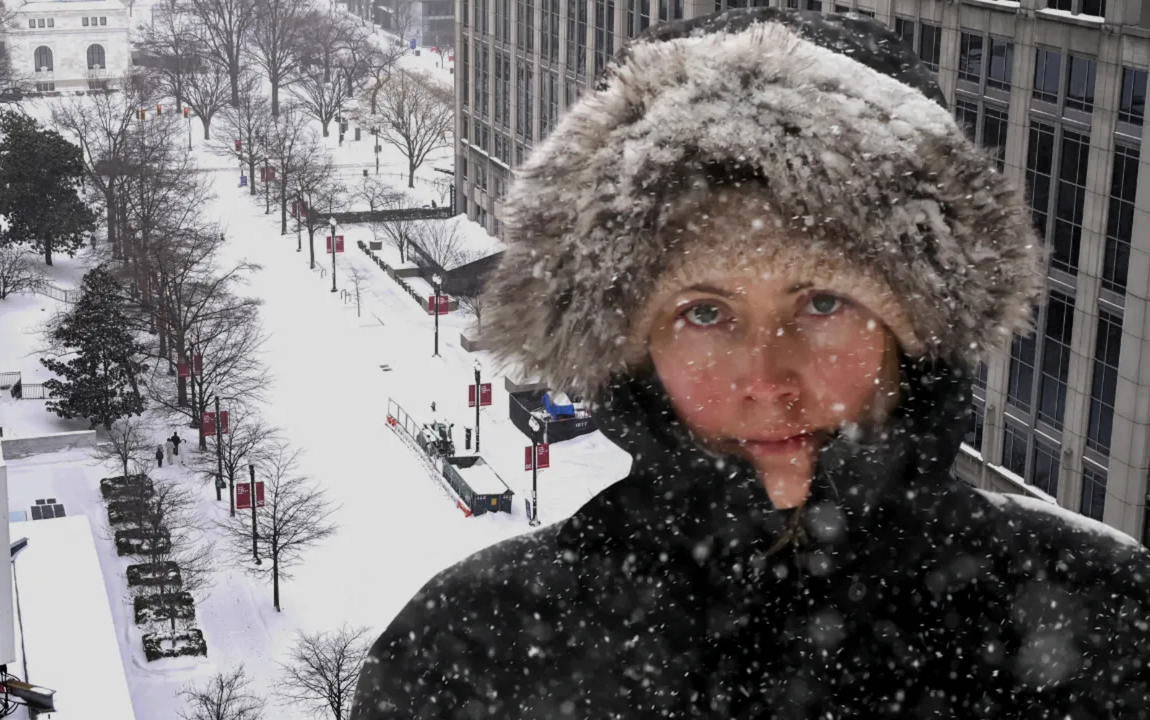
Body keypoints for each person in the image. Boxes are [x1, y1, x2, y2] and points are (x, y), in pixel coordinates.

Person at [351, 8, 1150, 719]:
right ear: (630, 346)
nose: (766, 380)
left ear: (917, 329)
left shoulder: (1112, 625)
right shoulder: (471, 651)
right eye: (704, 313)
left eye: (824, 303)